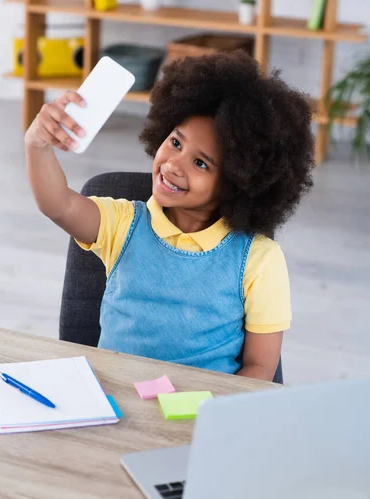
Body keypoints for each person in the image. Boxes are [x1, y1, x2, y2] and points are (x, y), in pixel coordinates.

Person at [25, 51, 314, 381]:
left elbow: (260, 368)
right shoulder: (123, 224)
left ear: (238, 182)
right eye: (176, 142)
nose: (174, 164)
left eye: (201, 163)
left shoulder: (260, 260)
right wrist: (37, 145)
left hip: (200, 412)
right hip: (113, 401)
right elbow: (58, 205)